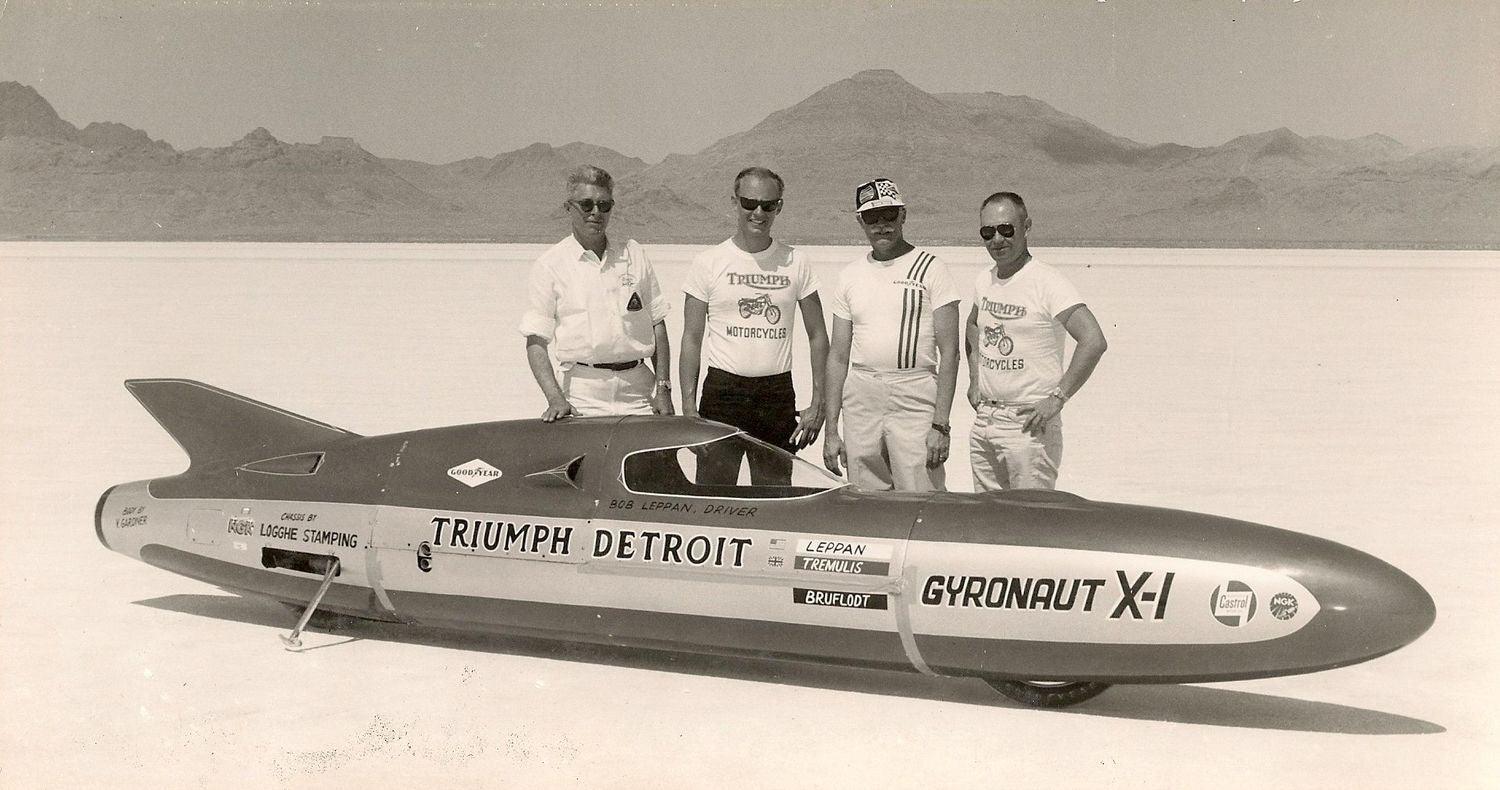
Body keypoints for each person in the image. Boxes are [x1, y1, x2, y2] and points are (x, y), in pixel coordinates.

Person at [679, 167, 829, 485]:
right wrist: (688, 407)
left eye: (768, 205)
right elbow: (691, 338)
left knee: (775, 493)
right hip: (723, 394)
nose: (758, 213)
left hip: (776, 395)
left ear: (779, 207)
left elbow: (818, 336)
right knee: (715, 493)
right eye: (749, 203)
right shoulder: (708, 262)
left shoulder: (796, 262)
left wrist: (819, 403)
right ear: (734, 202)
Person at [823, 178, 961, 491]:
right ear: (860, 221)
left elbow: (950, 353)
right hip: (861, 395)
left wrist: (941, 424)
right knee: (865, 494)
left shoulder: (931, 268)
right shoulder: (850, 276)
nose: (882, 225)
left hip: (915, 393)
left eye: (889, 214)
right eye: (872, 217)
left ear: (903, 215)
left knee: (920, 493)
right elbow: (838, 355)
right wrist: (831, 431)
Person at [965, 191, 1107, 490]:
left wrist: (1057, 398)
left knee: (1029, 514)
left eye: (1006, 229)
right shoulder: (984, 279)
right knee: (986, 515)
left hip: (1029, 424)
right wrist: (975, 378)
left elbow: (1093, 340)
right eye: (988, 232)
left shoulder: (1047, 282)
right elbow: (973, 325)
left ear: (1026, 227)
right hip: (986, 420)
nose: (997, 240)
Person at [518, 165, 674, 421]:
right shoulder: (550, 265)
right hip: (582, 396)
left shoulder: (633, 255)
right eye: (586, 204)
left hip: (639, 394)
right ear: (568, 207)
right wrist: (555, 399)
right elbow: (536, 342)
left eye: (604, 205)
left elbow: (657, 323)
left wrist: (664, 388)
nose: (595, 213)